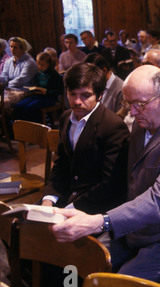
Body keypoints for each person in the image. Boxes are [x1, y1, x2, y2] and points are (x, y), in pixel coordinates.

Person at [51, 65, 160, 284]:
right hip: (132, 230)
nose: (131, 113)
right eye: (128, 104)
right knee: (75, 266)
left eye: (139, 104)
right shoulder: (142, 124)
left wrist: (102, 221)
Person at [41, 62, 129, 213]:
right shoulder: (66, 117)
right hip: (68, 195)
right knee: (21, 226)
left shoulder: (113, 126)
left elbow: (110, 183)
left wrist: (70, 208)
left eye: (85, 95)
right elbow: (62, 163)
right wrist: (48, 199)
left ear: (100, 95)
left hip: (95, 204)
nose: (76, 101)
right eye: (72, 94)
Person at [11, 52, 63, 124]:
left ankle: (36, 126)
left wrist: (46, 92)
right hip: (38, 95)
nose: (40, 67)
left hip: (49, 98)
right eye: (38, 64)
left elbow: (60, 90)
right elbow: (37, 84)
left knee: (30, 107)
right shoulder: (39, 73)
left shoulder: (54, 75)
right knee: (19, 106)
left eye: (43, 65)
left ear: (48, 64)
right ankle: (22, 126)